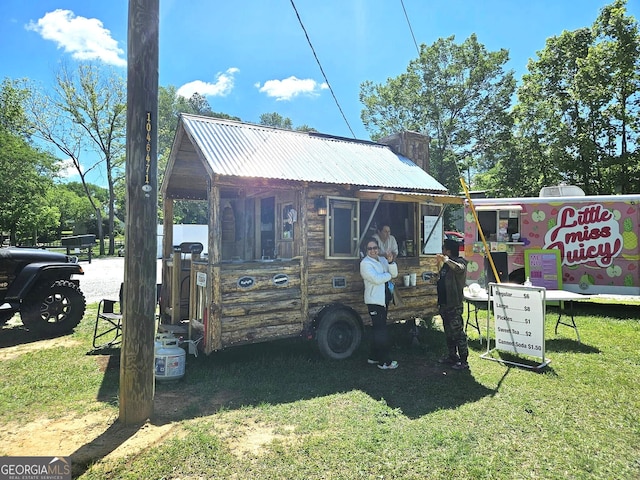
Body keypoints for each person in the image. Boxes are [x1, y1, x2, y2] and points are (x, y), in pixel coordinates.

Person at [360, 237, 399, 370]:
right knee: (381, 331)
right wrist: (388, 275)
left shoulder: (382, 260)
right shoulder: (365, 263)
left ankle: (373, 357)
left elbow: (395, 272)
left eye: (375, 248)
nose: (373, 251)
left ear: (378, 248)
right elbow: (376, 279)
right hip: (374, 301)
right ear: (366, 250)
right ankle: (384, 362)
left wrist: (391, 262)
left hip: (384, 299)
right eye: (370, 248)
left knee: (378, 329)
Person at [436, 238, 469, 370]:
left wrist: (446, 260)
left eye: (444, 249)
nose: (442, 251)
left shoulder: (459, 262)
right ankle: (452, 356)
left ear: (448, 251)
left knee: (458, 333)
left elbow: (459, 268)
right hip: (444, 303)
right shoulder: (445, 265)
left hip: (454, 304)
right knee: (448, 332)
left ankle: (463, 360)